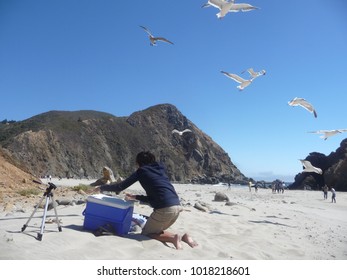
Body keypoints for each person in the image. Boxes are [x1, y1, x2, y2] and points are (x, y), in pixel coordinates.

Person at [94, 151, 198, 250]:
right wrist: (136, 197)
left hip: (165, 210)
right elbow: (157, 197)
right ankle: (184, 237)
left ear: (138, 163)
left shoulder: (141, 171)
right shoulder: (160, 170)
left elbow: (120, 187)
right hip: (176, 207)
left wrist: (101, 187)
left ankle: (173, 238)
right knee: (157, 230)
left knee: (146, 234)